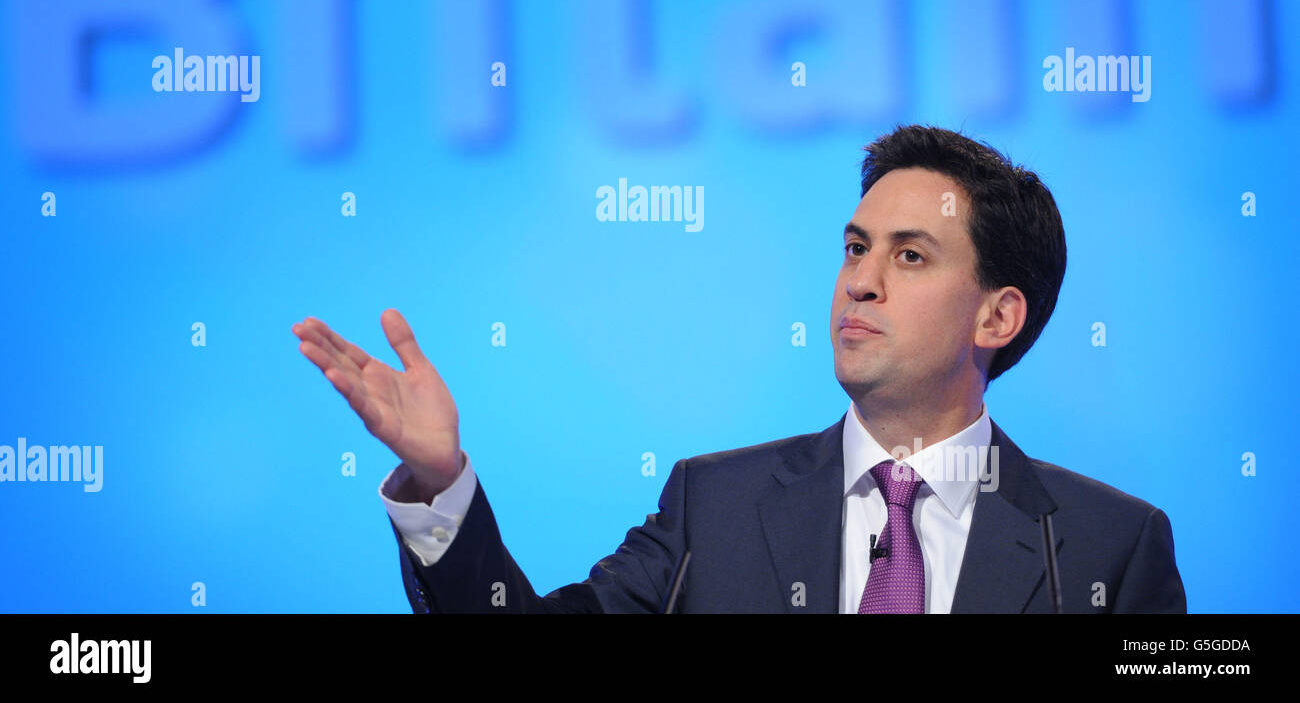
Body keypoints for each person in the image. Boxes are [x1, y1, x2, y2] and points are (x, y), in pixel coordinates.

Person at [292, 123, 1186, 613]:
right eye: (854, 247)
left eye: (911, 257)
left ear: (999, 314)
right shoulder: (711, 509)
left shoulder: (1109, 547)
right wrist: (440, 482)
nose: (861, 282)